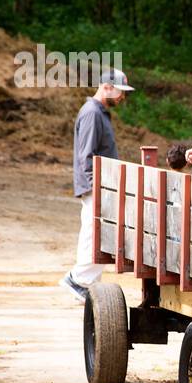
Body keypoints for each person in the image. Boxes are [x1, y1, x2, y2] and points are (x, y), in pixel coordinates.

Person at [61, 69, 132, 302]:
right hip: (96, 186)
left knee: (97, 234)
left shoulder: (99, 112)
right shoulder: (92, 113)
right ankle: (78, 280)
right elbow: (86, 155)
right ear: (107, 86)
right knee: (94, 234)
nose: (122, 97)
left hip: (101, 186)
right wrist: (95, 187)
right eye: (120, 92)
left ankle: (86, 281)